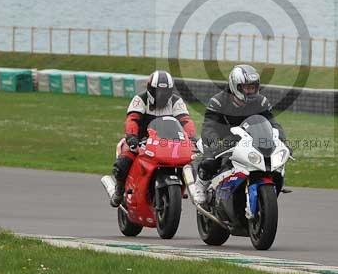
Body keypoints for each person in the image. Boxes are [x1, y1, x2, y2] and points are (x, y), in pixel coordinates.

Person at [194, 64, 286, 204]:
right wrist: (214, 143)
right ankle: (201, 185)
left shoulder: (261, 102)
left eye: (253, 87)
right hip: (223, 140)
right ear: (236, 87)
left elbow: (273, 124)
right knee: (210, 161)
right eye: (247, 88)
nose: (251, 91)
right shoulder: (218, 101)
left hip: (250, 139)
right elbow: (208, 127)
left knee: (272, 162)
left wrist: (282, 140)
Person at [109, 70, 196, 207]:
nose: (162, 95)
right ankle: (119, 190)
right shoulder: (140, 99)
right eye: (159, 91)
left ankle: (188, 190)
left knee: (190, 162)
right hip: (141, 141)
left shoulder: (176, 102)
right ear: (150, 89)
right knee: (123, 162)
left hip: (168, 143)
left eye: (166, 91)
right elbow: (132, 119)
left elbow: (185, 121)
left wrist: (192, 138)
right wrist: (132, 137)